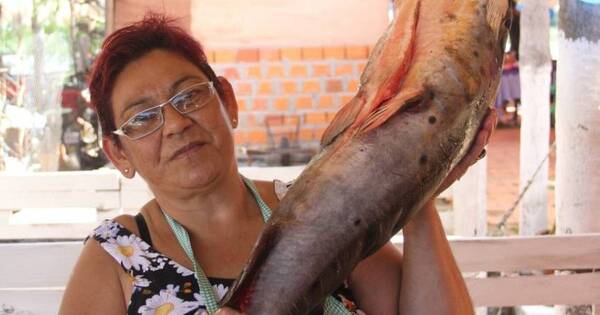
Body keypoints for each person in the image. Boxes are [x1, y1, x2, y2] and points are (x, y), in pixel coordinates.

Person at [59, 14, 496, 315]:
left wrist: (415, 194)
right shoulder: (116, 257)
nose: (174, 123)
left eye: (188, 95)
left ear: (228, 101)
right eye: (142, 118)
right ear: (119, 154)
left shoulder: (320, 211)